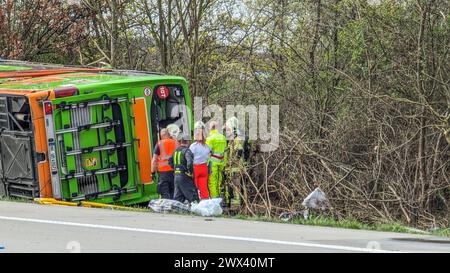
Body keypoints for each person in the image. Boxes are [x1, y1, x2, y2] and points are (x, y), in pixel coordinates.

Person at [169, 134, 200, 203]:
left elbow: (170, 161)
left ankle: (175, 211)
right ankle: (197, 210)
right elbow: (189, 163)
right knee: (193, 196)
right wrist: (190, 172)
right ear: (188, 141)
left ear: (181, 141)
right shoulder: (187, 151)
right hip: (185, 176)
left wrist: (175, 169)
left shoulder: (176, 151)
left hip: (176, 177)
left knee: (178, 197)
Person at [151, 128, 177, 199]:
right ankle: (173, 207)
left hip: (163, 173)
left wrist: (152, 172)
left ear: (161, 136)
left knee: (164, 192)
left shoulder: (159, 144)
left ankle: (166, 208)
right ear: (169, 134)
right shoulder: (175, 142)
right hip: (174, 171)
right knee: (173, 191)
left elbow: (154, 160)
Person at [206, 121, 227, 198]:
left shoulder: (209, 139)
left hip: (212, 163)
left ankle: (214, 199)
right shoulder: (223, 137)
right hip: (221, 162)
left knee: (212, 182)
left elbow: (207, 152)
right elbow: (225, 151)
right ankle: (218, 197)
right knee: (219, 181)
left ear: (211, 128)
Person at [190, 121, 211, 199]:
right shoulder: (207, 147)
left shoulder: (193, 146)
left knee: (194, 186)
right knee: (204, 187)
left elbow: (190, 158)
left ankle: (195, 201)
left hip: (196, 168)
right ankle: (205, 201)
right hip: (204, 168)